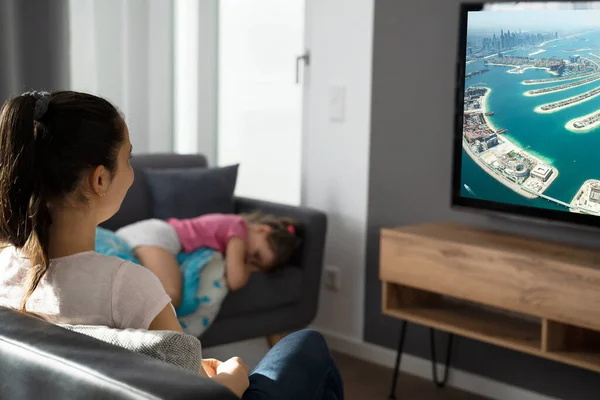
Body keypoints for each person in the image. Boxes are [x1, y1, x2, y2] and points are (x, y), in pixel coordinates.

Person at [0, 91, 343, 399]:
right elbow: (194, 394)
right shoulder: (129, 286)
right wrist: (233, 379)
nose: (133, 174)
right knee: (307, 345)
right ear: (100, 179)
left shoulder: (4, 269)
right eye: (128, 159)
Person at [115, 211, 301, 309]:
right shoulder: (238, 228)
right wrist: (249, 267)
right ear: (263, 229)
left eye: (256, 264)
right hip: (159, 236)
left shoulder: (234, 227)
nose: (249, 259)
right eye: (257, 255)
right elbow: (236, 280)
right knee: (171, 296)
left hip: (152, 235)